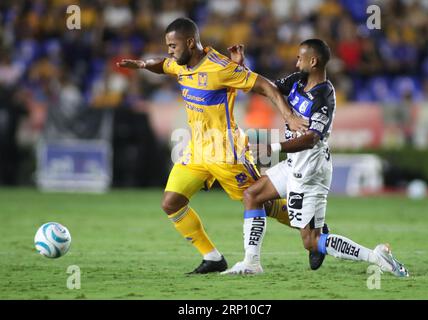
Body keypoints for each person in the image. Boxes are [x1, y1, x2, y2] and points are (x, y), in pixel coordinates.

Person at [117, 17, 308, 274]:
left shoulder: (219, 67)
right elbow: (162, 65)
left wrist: (288, 116)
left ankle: (314, 229)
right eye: (168, 46)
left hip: (226, 151)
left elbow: (264, 85)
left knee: (263, 203)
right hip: (196, 150)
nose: (170, 51)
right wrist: (141, 64)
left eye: (173, 45)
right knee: (171, 203)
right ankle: (212, 257)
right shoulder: (180, 64)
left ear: (189, 42)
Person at [224, 39, 409, 277]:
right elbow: (266, 87)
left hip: (310, 172)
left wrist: (273, 147)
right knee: (252, 195)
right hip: (293, 165)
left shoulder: (324, 96)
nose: (296, 61)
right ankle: (251, 263)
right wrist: (242, 67)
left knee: (312, 242)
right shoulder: (297, 81)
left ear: (313, 61)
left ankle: (376, 257)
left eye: (300, 57)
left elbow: (311, 138)